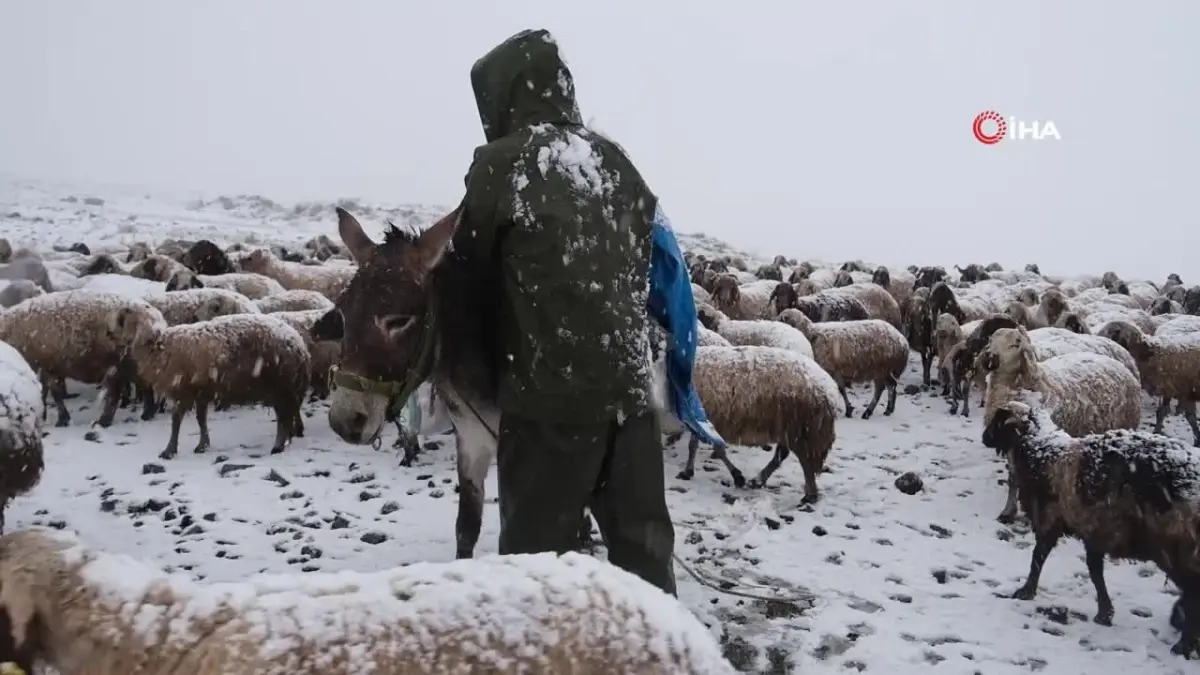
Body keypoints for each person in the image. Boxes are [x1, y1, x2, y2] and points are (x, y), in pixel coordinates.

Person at [452, 28, 676, 595]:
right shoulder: (617, 163)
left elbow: (469, 278)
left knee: (536, 579)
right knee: (645, 567)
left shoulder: (502, 164)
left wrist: (479, 375)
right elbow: (645, 262)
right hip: (630, 403)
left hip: (548, 405)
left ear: (502, 98)